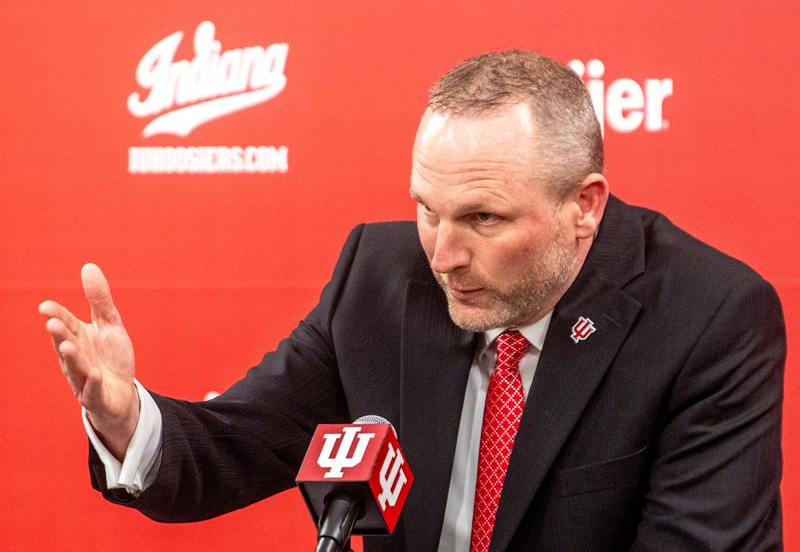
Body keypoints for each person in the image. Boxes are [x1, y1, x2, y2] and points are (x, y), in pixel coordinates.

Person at [40, 50, 785, 551]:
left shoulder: (709, 319)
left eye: (483, 219)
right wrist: (127, 419)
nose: (443, 254)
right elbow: (238, 444)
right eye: (428, 209)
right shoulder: (379, 274)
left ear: (584, 207)